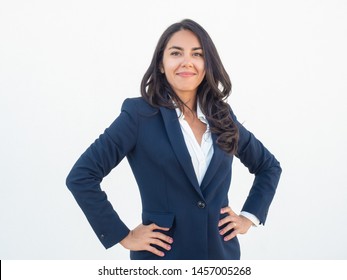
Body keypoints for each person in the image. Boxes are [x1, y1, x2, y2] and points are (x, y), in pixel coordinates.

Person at [66, 19, 282, 260]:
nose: (186, 61)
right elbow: (81, 176)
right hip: (162, 259)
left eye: (197, 54)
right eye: (176, 53)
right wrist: (122, 235)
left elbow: (268, 166)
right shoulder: (139, 116)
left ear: (207, 63)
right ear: (161, 63)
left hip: (221, 258)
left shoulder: (223, 117)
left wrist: (248, 217)